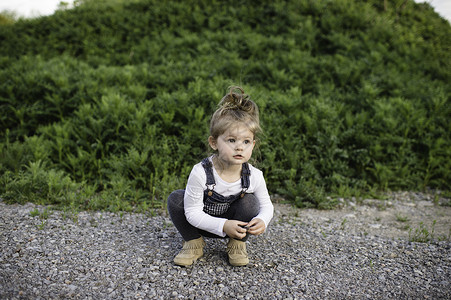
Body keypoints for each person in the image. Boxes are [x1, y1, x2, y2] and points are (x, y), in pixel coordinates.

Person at [167, 86, 274, 267]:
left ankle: (237, 244)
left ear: (253, 145)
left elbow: (266, 206)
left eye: (246, 142)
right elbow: (192, 213)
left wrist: (262, 220)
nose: (239, 147)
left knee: (251, 202)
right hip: (201, 223)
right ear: (214, 142)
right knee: (176, 199)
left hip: (237, 228)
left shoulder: (254, 176)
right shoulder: (201, 172)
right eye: (231, 140)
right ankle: (193, 243)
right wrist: (223, 225)